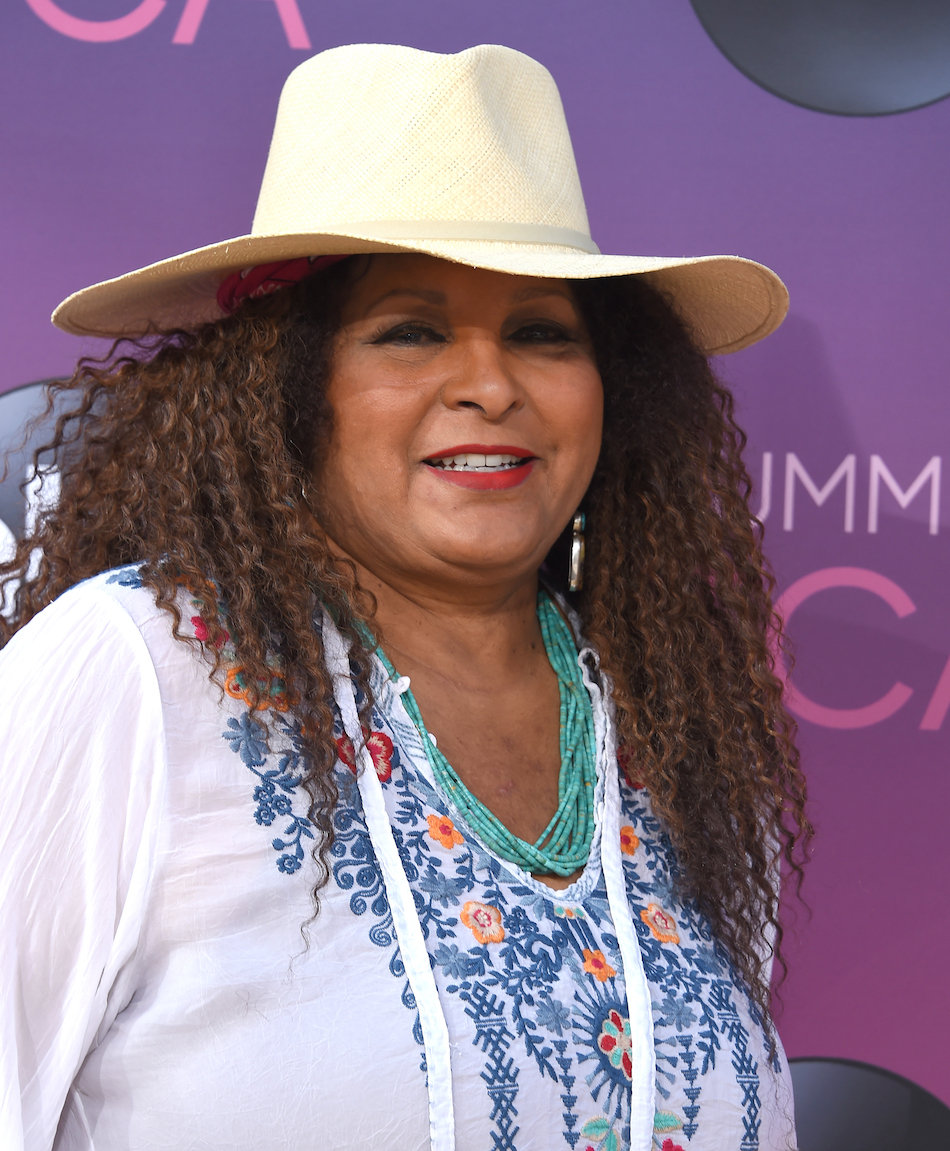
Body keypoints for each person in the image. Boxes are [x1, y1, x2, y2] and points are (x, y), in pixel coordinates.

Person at [0, 42, 808, 1151]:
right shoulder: (130, 673)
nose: (488, 382)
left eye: (540, 331)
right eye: (410, 330)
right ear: (285, 387)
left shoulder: (676, 728)